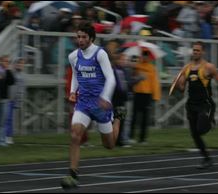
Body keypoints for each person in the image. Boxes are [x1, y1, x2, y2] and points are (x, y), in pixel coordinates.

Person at [60, 22, 122, 189]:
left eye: (83, 37)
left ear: (91, 38)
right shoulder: (73, 56)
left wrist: (105, 97)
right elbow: (75, 74)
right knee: (75, 135)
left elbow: (111, 78)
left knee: (109, 145)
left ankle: (117, 119)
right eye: (78, 37)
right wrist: (73, 91)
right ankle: (73, 174)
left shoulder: (100, 54)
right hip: (84, 103)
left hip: (101, 105)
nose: (80, 40)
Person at [176, 41, 218, 169]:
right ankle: (207, 159)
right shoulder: (187, 68)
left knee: (201, 129)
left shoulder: (208, 67)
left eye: (198, 50)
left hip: (205, 104)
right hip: (191, 104)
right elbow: (182, 88)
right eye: (194, 50)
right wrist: (178, 82)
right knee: (195, 134)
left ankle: (210, 121)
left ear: (203, 52)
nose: (195, 52)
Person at [130, 49, 161, 144]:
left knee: (145, 118)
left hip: (147, 95)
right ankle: (131, 137)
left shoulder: (152, 68)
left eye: (146, 56)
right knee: (134, 116)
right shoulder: (136, 66)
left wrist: (156, 96)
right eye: (143, 56)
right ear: (141, 56)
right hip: (137, 94)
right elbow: (131, 77)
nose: (145, 58)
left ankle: (142, 139)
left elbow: (154, 83)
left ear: (149, 57)